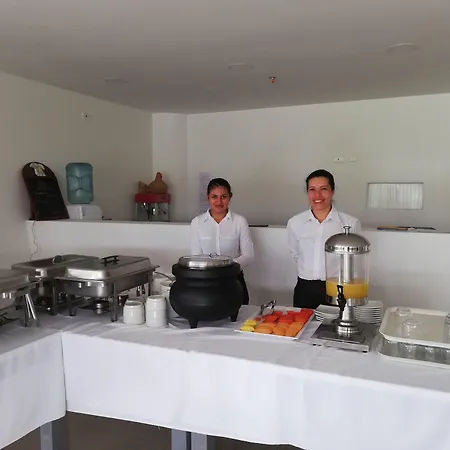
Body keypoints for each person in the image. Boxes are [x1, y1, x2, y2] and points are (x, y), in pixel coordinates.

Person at [287, 169, 361, 309]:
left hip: (339, 288)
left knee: (336, 323)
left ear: (332, 191)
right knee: (303, 323)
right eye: (312, 189)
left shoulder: (350, 223)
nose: (317, 195)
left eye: (324, 189)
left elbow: (354, 261)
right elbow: (295, 254)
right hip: (305, 288)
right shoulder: (295, 222)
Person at [190, 178, 254, 305]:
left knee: (239, 314)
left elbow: (249, 255)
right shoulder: (197, 223)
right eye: (214, 196)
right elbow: (196, 257)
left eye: (223, 196)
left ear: (230, 197)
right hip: (206, 282)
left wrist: (226, 267)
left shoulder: (239, 222)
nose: (219, 201)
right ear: (208, 197)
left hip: (234, 280)